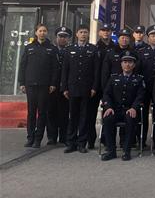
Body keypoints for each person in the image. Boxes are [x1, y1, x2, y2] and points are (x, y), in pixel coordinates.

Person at [18, 23, 58, 148]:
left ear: (47, 33)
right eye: (40, 31)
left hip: (44, 85)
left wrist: (53, 83)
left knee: (42, 112)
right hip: (30, 84)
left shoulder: (52, 49)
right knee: (31, 112)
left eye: (44, 31)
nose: (42, 33)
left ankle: (38, 139)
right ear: (36, 32)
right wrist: (22, 83)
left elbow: (55, 68)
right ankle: (30, 138)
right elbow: (23, 66)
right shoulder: (29, 47)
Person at [61, 25, 99, 154]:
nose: (83, 34)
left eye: (85, 32)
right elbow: (65, 70)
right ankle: (71, 143)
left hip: (86, 88)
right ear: (77, 34)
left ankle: (82, 143)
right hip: (72, 87)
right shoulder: (69, 49)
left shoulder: (93, 49)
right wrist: (64, 88)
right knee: (73, 116)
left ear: (88, 34)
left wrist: (94, 87)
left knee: (84, 117)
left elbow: (96, 71)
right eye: (81, 32)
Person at [101, 54, 146, 161]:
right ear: (121, 64)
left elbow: (141, 96)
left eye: (130, 62)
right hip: (115, 109)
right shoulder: (113, 78)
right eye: (125, 62)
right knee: (107, 118)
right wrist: (108, 107)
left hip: (130, 110)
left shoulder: (139, 79)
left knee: (131, 119)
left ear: (134, 65)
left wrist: (134, 107)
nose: (127, 65)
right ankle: (111, 151)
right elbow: (106, 94)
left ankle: (126, 151)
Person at [46, 26, 72, 146]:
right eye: (60, 36)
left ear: (68, 38)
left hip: (66, 86)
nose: (62, 39)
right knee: (51, 111)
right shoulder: (51, 50)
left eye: (65, 37)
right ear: (56, 37)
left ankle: (63, 136)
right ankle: (51, 137)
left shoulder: (71, 50)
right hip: (53, 86)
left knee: (64, 112)